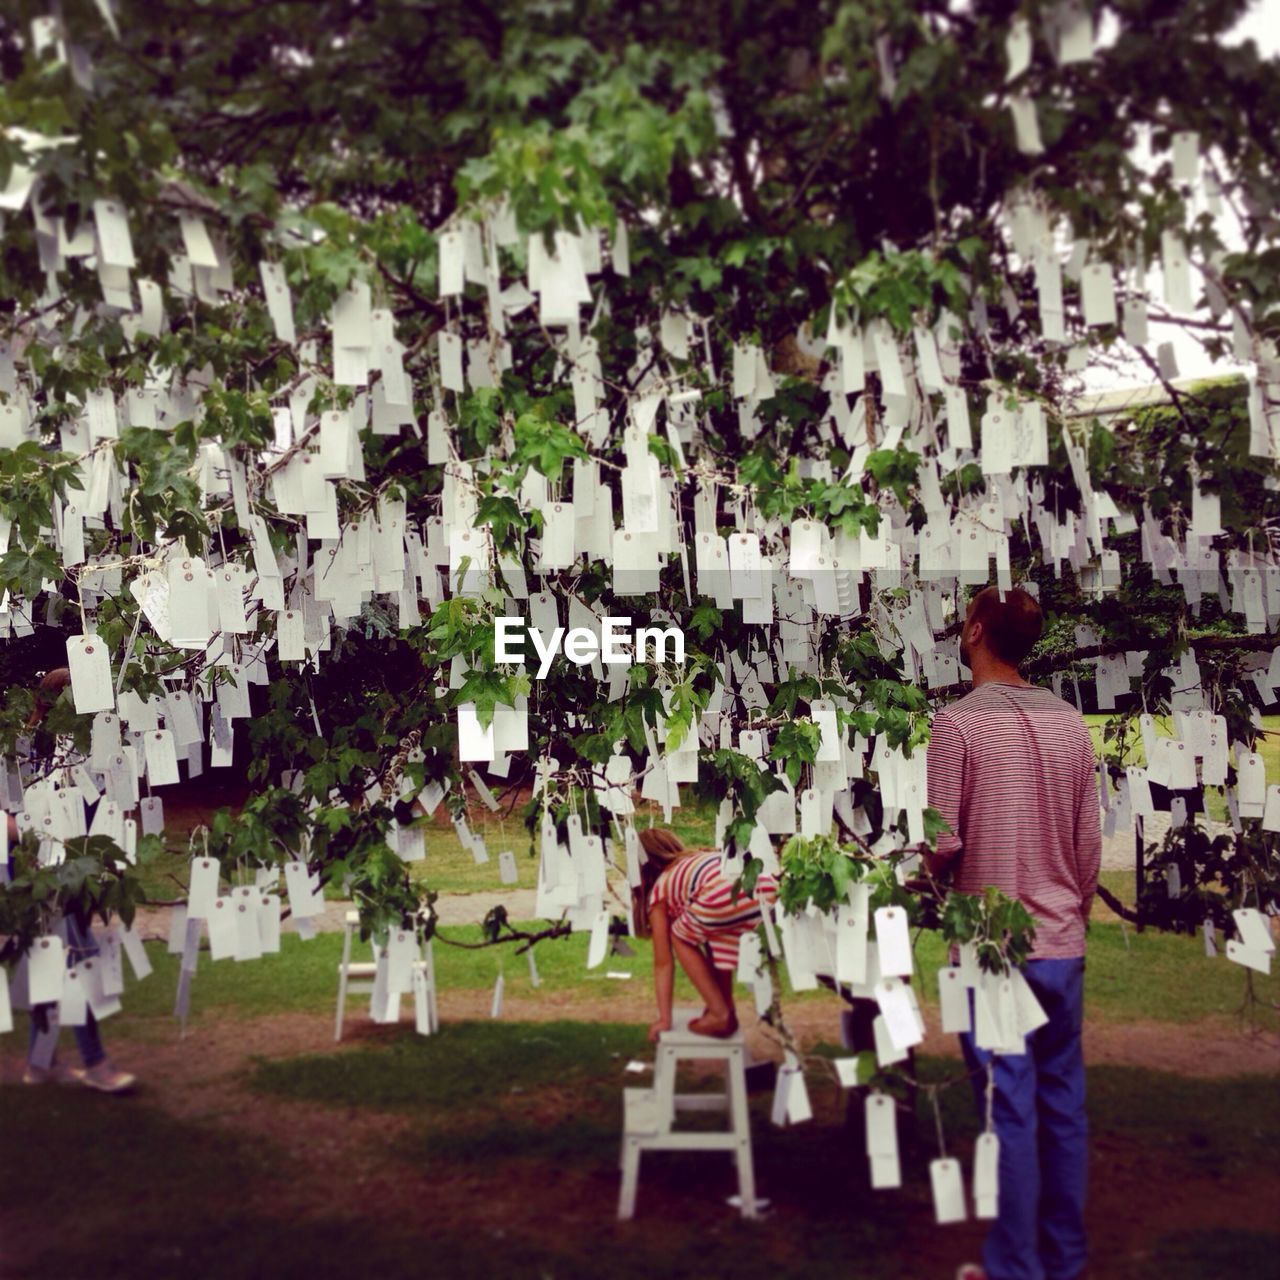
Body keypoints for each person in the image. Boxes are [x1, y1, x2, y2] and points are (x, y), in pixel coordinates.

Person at [925, 586, 1100, 1280]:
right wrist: (1071, 917)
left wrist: (917, 877)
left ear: (973, 630)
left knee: (1011, 1115)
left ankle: (1015, 1269)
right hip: (1061, 942)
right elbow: (1089, 846)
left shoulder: (956, 725)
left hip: (991, 951)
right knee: (1063, 1109)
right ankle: (1064, 1261)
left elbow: (942, 841)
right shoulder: (1070, 723)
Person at [7, 666, 136, 1094]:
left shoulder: (84, 747)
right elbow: (11, 807)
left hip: (76, 865)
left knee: (52, 959)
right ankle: (95, 1063)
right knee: (79, 960)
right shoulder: (29, 746)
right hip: (44, 868)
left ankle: (40, 1062)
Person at [633, 827, 777, 1041]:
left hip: (723, 891)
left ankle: (719, 1014)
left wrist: (664, 1019)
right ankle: (725, 1010)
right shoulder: (697, 858)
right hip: (764, 887)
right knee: (716, 940)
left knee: (679, 935)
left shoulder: (660, 890)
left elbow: (663, 963)